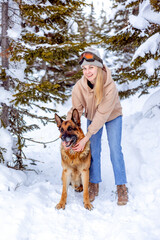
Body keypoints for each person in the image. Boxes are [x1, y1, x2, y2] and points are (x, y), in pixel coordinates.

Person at [67, 47, 128, 205]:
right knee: (94, 150)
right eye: (84, 68)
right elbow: (76, 110)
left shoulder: (110, 86)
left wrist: (86, 136)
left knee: (115, 149)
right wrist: (67, 128)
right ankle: (94, 183)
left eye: (91, 67)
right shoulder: (80, 86)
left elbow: (102, 115)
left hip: (113, 116)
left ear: (99, 66)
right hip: (93, 117)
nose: (87, 72)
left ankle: (121, 185)